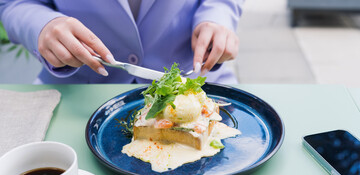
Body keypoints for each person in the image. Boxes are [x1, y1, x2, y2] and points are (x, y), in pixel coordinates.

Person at [0, 0, 243, 84]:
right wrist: (43, 26)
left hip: (196, 83)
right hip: (78, 92)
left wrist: (217, 17)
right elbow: (13, 3)